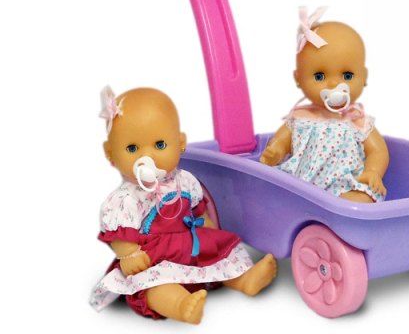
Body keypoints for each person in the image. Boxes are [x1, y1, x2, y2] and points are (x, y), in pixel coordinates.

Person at [90, 87, 277, 323]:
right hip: (154, 259)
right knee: (154, 285)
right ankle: (179, 305)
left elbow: (198, 212)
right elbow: (119, 235)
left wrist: (211, 234)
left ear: (180, 143)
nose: (147, 157)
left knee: (224, 256)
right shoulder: (125, 199)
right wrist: (128, 254)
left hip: (193, 246)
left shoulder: (185, 181)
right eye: (132, 149)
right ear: (110, 153)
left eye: (159, 145)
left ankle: (244, 280)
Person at [260, 7, 389, 203]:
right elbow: (282, 140)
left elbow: (378, 150)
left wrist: (372, 171)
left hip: (344, 186)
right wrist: (275, 151)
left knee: (362, 199)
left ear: (364, 77)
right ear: (298, 78)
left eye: (347, 75)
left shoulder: (356, 119)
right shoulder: (300, 117)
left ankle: (342, 212)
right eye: (319, 76)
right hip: (301, 186)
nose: (333, 83)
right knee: (274, 191)